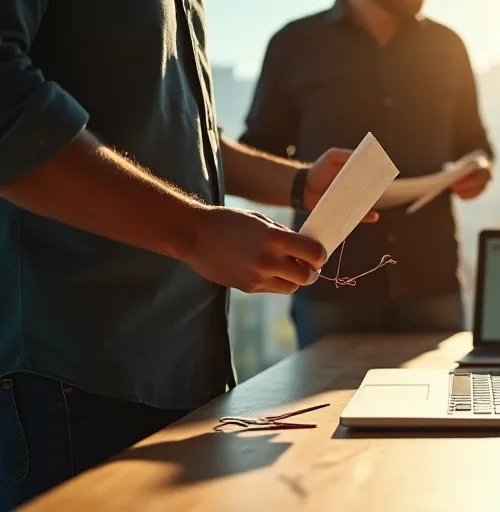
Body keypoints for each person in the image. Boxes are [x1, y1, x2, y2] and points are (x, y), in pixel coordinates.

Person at [0, 1, 377, 507]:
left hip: (183, 373)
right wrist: (196, 233)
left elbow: (178, 129)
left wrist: (298, 182)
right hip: (71, 378)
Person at [242, 0, 494, 347]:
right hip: (330, 280)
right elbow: (258, 152)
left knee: (438, 400)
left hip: (431, 276)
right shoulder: (294, 43)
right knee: (328, 400)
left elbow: (474, 142)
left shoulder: (447, 45)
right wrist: (310, 181)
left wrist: (479, 168)